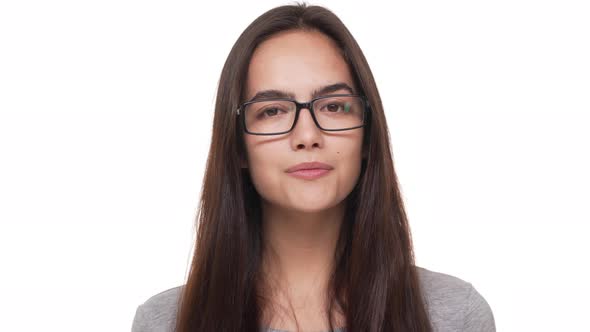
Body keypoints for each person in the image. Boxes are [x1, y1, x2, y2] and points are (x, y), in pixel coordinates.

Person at [131, 3, 495, 332]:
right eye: (272, 110)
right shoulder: (166, 322)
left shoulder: (454, 315)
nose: (308, 135)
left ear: (368, 137)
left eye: (333, 107)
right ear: (238, 147)